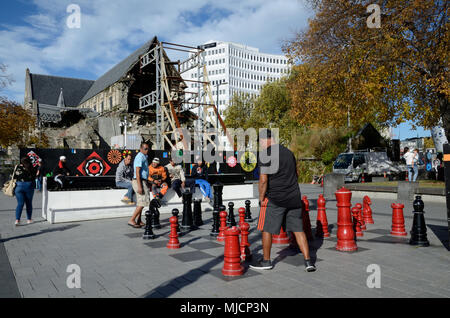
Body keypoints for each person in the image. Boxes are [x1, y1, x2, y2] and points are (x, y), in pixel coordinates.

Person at [249, 129, 316, 272]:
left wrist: (261, 198)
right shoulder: (288, 153)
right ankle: (308, 261)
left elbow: (263, 180)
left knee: (267, 229)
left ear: (264, 140)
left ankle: (266, 261)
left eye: (260, 142)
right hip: (294, 198)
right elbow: (296, 174)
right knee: (299, 230)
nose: (260, 145)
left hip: (276, 199)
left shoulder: (265, 154)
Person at [128, 142, 150, 228]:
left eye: (148, 149)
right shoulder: (140, 156)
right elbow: (137, 172)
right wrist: (140, 186)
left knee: (141, 201)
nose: (147, 150)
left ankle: (139, 220)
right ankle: (132, 220)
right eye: (145, 149)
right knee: (142, 201)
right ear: (141, 149)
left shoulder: (144, 156)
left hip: (142, 180)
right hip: (139, 181)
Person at [13, 157, 38, 226]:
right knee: (28, 203)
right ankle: (29, 219)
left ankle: (17, 220)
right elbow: (34, 177)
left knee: (20, 204)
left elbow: (14, 176)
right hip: (28, 186)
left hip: (18, 187)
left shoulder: (17, 167)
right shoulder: (32, 168)